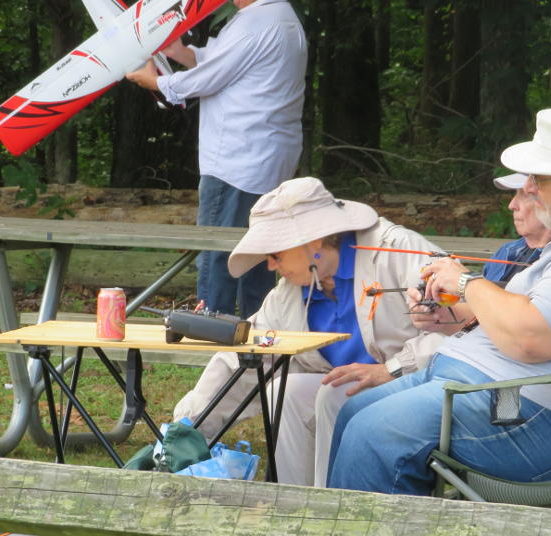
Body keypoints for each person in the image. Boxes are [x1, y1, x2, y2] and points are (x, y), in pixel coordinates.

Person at [327, 107, 551, 495]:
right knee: (355, 411)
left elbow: (532, 338)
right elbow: (531, 313)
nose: (530, 188)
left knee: (374, 433)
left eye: (539, 178)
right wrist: (455, 314)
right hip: (511, 395)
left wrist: (466, 282)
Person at [172, 176, 470, 487]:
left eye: (275, 254)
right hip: (356, 395)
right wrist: (182, 430)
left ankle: (335, 509)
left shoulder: (398, 251)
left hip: (427, 391)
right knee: (285, 392)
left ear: (313, 241)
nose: (271, 266)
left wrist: (394, 369)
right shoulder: (290, 292)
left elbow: (470, 326)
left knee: (333, 393)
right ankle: (292, 506)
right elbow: (246, 356)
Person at [125, 0, 307, 317]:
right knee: (257, 255)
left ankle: (212, 338)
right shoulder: (281, 18)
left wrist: (157, 83)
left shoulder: (256, 21)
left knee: (219, 253)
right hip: (266, 159)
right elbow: (229, 62)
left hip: (236, 162)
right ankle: (256, 337)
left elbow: (207, 80)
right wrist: (180, 53)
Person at [481, 173, 551, 284]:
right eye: (515, 194)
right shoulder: (507, 251)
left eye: (525, 194)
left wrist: (465, 280)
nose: (512, 205)